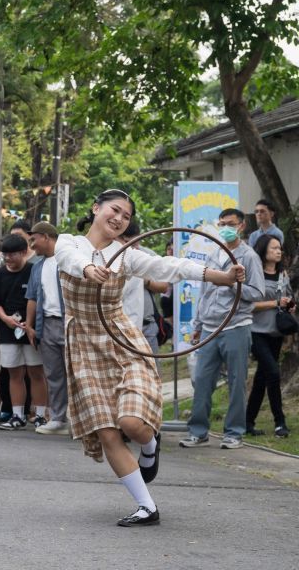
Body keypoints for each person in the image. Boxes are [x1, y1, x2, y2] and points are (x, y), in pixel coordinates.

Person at [56, 189, 243, 527]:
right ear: (96, 208)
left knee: (131, 424)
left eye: (126, 216)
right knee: (108, 432)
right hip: (83, 345)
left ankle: (150, 444)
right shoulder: (68, 242)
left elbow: (171, 266)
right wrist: (87, 268)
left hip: (122, 340)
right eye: (114, 210)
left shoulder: (126, 255)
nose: (119, 219)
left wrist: (223, 277)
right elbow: (69, 258)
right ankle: (147, 507)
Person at [180, 208, 267, 450]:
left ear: (241, 226)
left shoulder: (248, 256)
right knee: (202, 380)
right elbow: (204, 292)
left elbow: (258, 293)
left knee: (236, 381)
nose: (225, 228)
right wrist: (197, 325)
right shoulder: (214, 255)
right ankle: (198, 431)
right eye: (221, 224)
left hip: (236, 325)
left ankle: (234, 433)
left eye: (229, 223)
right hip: (210, 326)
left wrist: (232, 285)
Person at [0, 235, 46, 430]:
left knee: (36, 372)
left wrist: (29, 324)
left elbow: (39, 299)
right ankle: (17, 415)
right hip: (8, 330)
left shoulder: (34, 271)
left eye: (12, 255)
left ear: (23, 253)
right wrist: (6, 319)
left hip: (31, 330)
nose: (7, 259)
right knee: (14, 373)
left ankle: (40, 415)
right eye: (5, 255)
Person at [246, 235, 292, 438]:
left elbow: (287, 298)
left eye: (279, 248)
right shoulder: (254, 275)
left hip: (275, 332)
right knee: (273, 373)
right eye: (274, 247)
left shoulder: (283, 274)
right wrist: (275, 304)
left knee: (261, 379)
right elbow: (248, 305)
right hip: (256, 332)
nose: (278, 251)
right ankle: (280, 422)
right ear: (263, 250)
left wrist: (289, 305)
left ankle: (248, 422)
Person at [26, 222, 69, 436]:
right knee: (53, 373)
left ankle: (80, 419)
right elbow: (32, 297)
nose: (32, 245)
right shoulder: (37, 266)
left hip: (71, 322)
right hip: (47, 323)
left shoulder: (68, 258)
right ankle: (59, 418)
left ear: (46, 236)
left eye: (34, 239)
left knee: (77, 373)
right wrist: (29, 325)